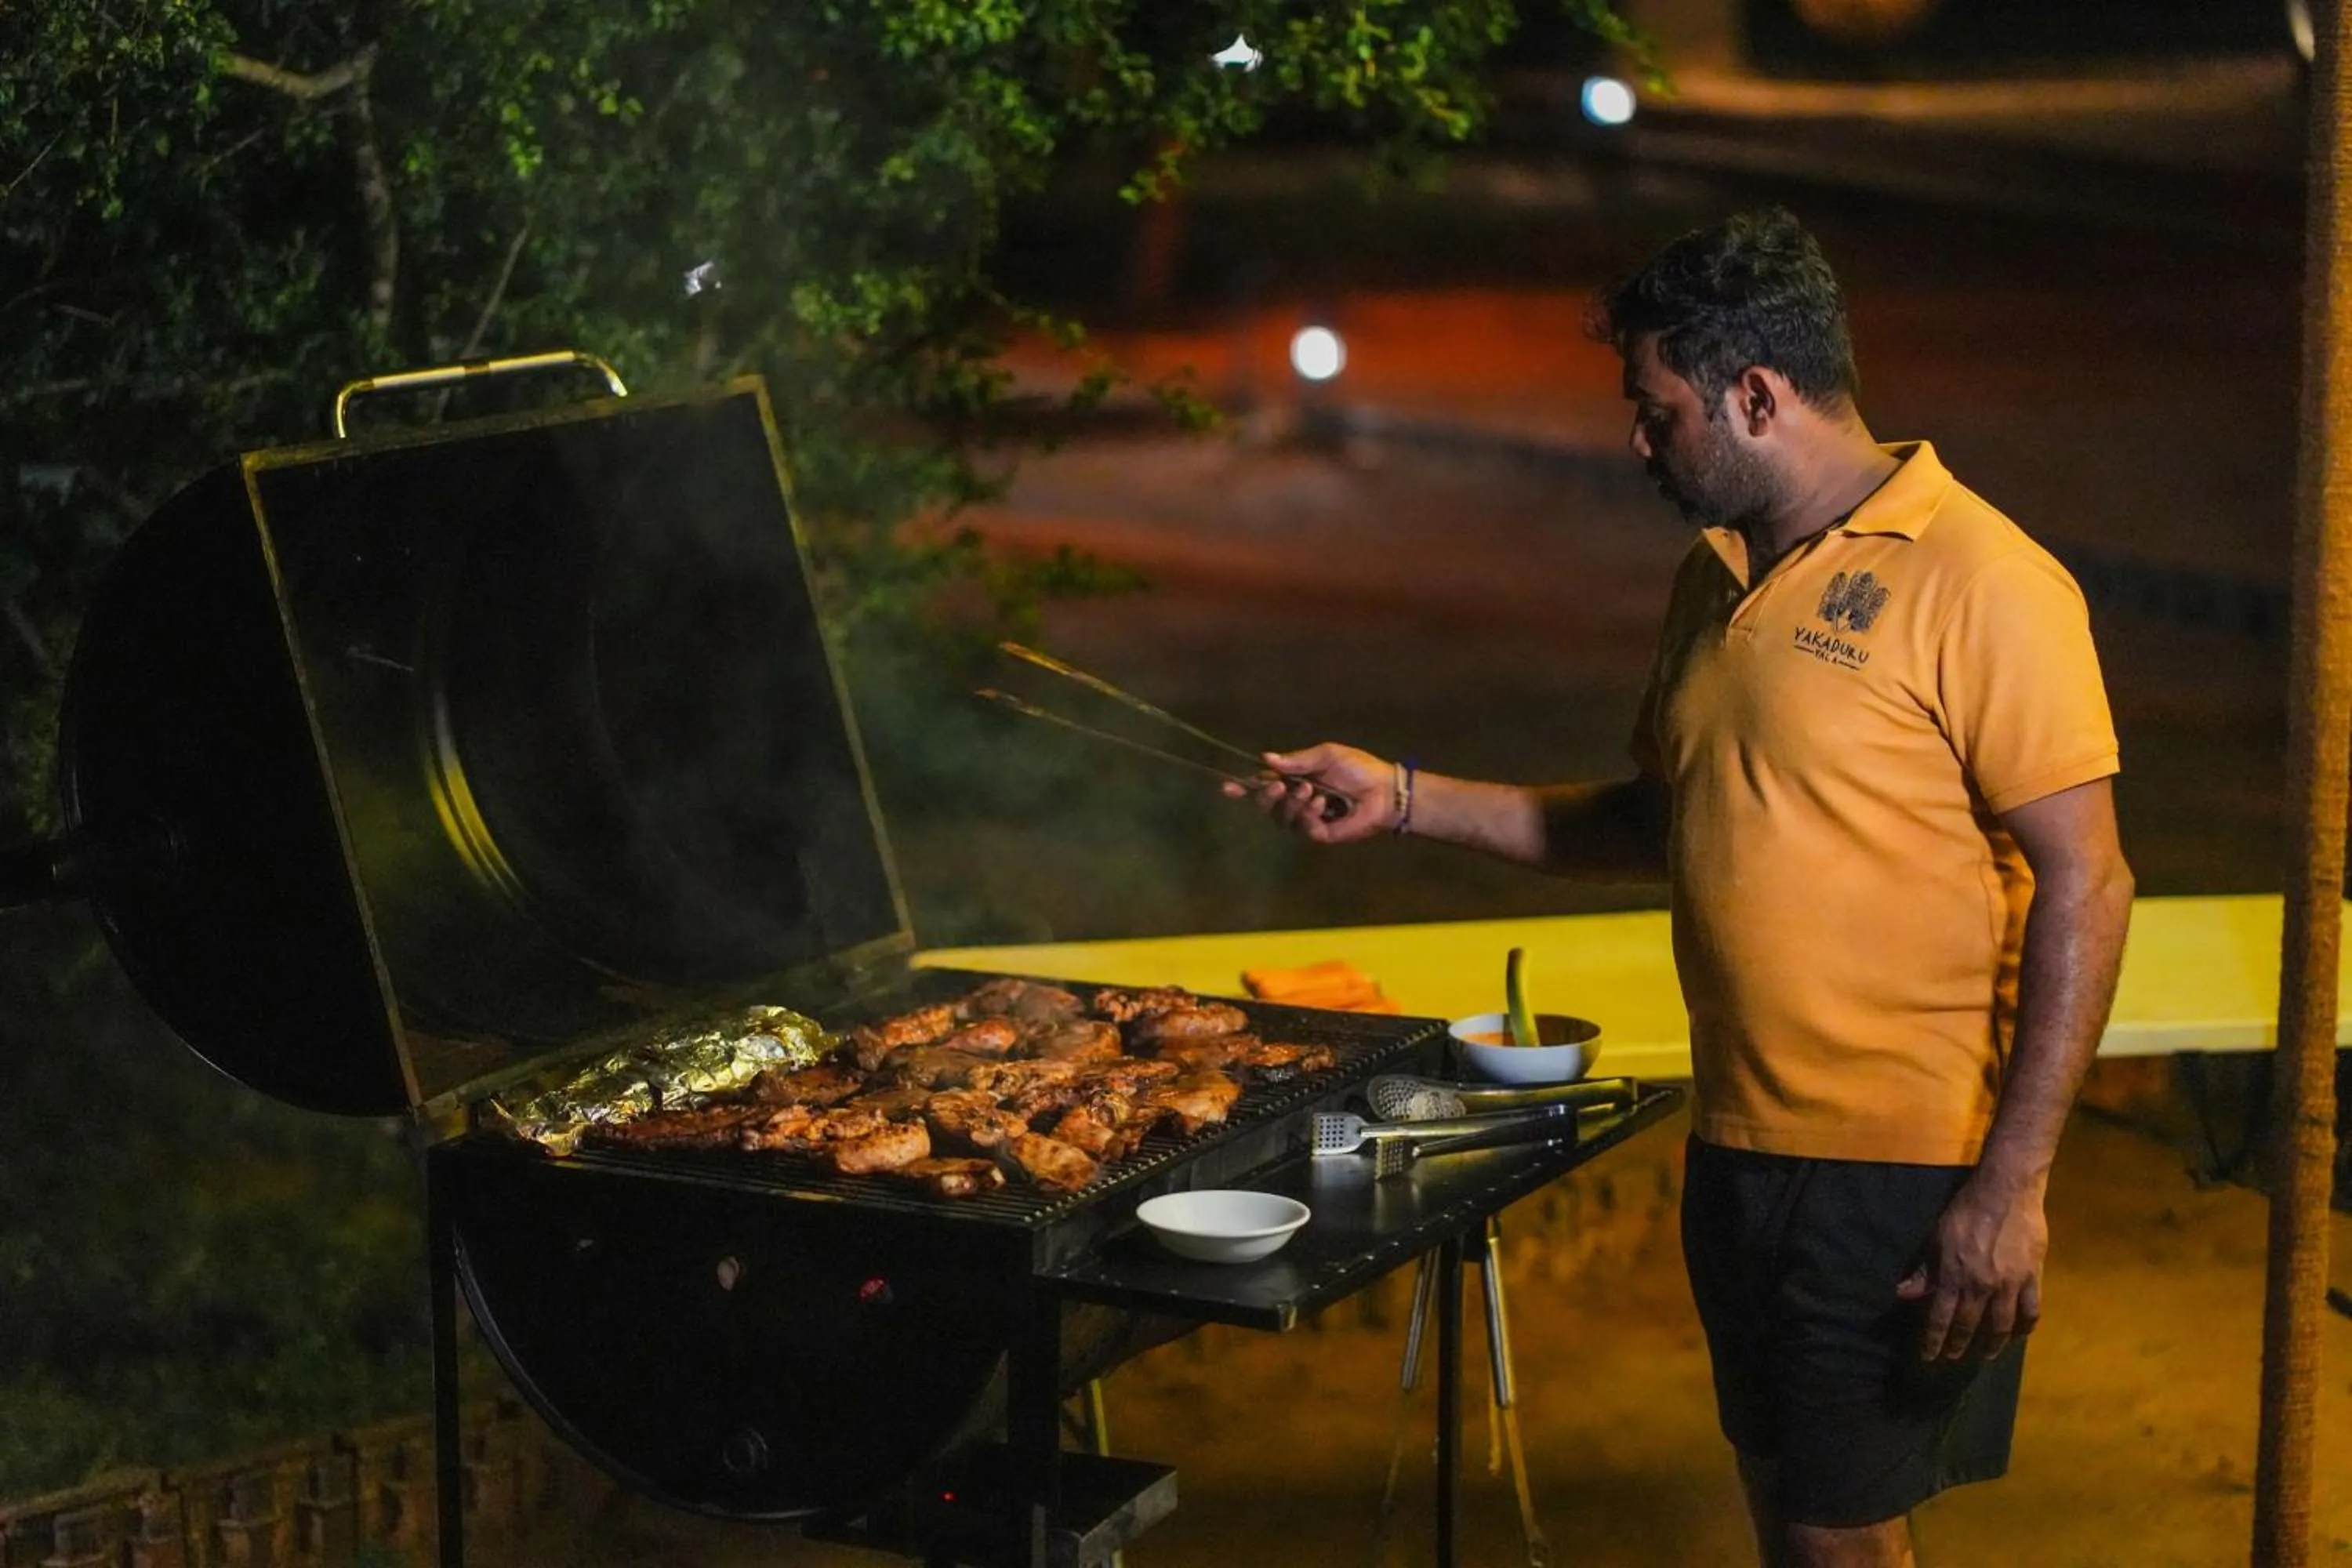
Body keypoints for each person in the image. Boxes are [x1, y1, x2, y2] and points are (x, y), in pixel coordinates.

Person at [1233, 208, 2134, 1568]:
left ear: (1756, 396)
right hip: (1738, 1148)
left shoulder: (1985, 581)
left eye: (1655, 412)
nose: (1638, 443)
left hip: (1899, 1163)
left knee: (1842, 1542)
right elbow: (1661, 820)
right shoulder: (1712, 581)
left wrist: (2010, 1189)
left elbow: (2092, 881)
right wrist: (1405, 796)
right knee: (1789, 1516)